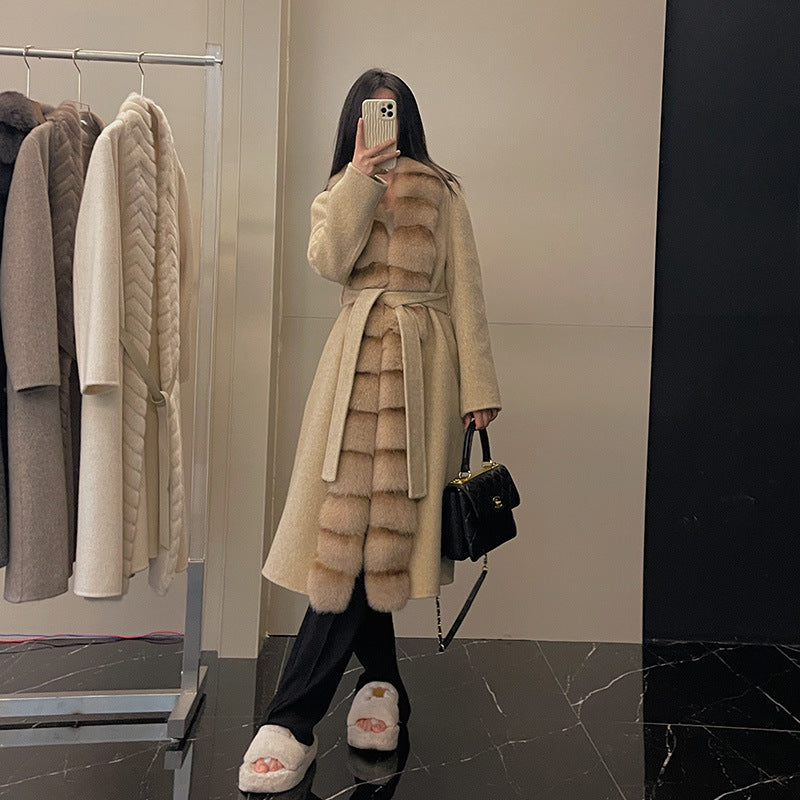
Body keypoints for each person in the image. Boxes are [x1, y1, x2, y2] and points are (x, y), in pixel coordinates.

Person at [238, 68, 501, 794]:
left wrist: (479, 389)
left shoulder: (444, 192)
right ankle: (373, 690)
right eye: (369, 113)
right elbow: (329, 262)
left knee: (375, 542)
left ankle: (296, 719)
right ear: (356, 124)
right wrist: (359, 179)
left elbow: (467, 289)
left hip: (422, 375)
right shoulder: (338, 189)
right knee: (350, 545)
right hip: (352, 374)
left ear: (406, 118)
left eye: (389, 113)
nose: (381, 123)